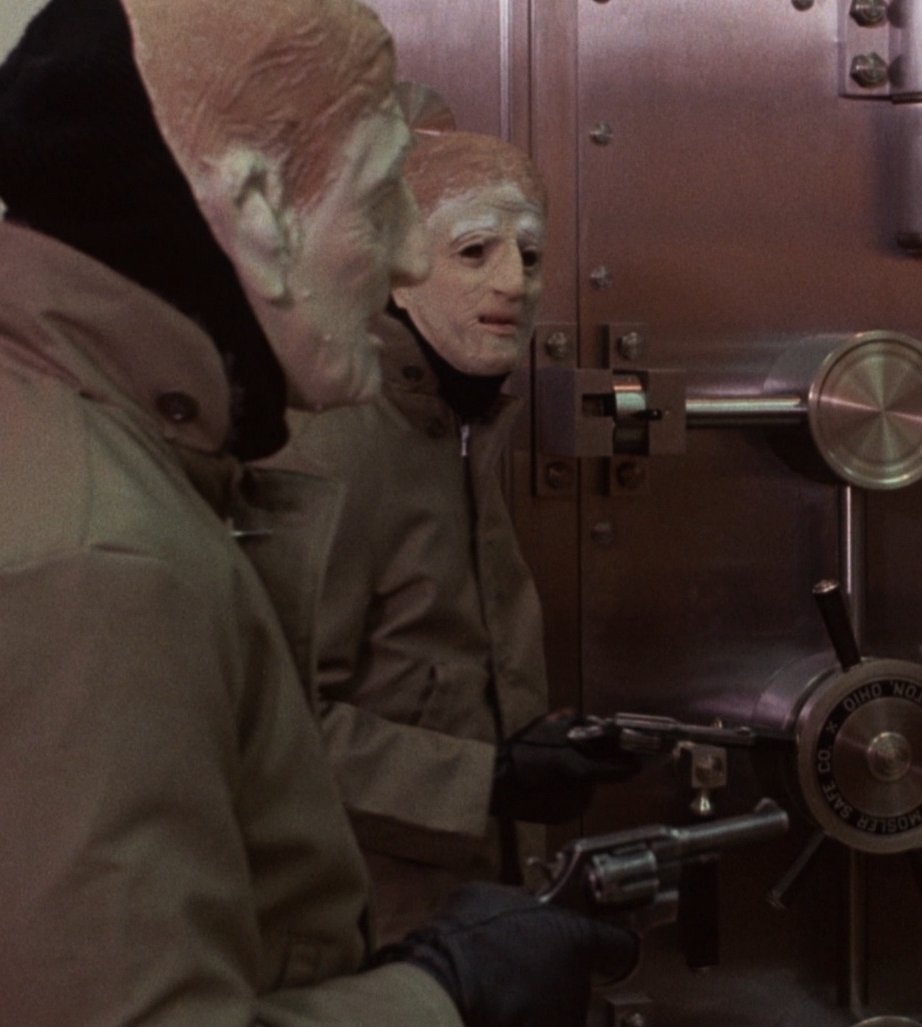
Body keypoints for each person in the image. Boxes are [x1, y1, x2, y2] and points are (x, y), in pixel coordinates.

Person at [0, 0, 634, 1023]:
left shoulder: (101, 445)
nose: (408, 264)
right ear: (258, 207)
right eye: (381, 201)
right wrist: (438, 995)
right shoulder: (98, 558)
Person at [260, 119, 639, 944]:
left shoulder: (462, 431)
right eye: (474, 251)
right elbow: (264, 725)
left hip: (467, 918)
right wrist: (487, 778)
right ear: (396, 272)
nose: (513, 282)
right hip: (359, 935)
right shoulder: (334, 443)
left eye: (530, 257)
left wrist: (534, 747)